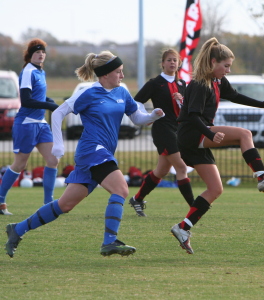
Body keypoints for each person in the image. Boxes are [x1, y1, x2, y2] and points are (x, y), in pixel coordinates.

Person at [4, 50, 165, 258]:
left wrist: (153, 115)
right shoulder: (88, 93)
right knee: (121, 189)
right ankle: (109, 241)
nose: (122, 76)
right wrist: (58, 145)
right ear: (105, 74)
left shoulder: (122, 93)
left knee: (65, 204)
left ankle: (17, 229)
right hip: (91, 151)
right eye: (119, 72)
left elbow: (137, 118)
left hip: (101, 153)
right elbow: (59, 112)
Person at [170, 37, 264, 254]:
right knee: (245, 134)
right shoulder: (199, 84)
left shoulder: (218, 81)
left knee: (215, 189)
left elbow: (234, 96)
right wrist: (208, 133)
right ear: (213, 62)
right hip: (191, 134)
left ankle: (183, 228)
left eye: (229, 66)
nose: (228, 70)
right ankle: (261, 177)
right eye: (226, 66)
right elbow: (193, 115)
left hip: (198, 138)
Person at [129, 49, 194, 217]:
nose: (173, 63)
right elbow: (136, 102)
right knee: (181, 167)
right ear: (163, 63)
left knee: (161, 170)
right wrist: (147, 117)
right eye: (169, 60)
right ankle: (194, 207)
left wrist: (182, 101)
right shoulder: (155, 83)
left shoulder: (182, 84)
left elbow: (185, 110)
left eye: (175, 60)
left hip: (177, 129)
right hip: (162, 130)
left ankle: (137, 198)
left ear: (179, 63)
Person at [0, 39, 59, 215]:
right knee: (19, 164)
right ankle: (0, 201)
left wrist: (51, 102)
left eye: (42, 52)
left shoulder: (41, 72)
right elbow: (26, 100)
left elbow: (40, 96)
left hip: (40, 124)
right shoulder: (27, 71)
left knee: (53, 160)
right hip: (26, 124)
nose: (41, 54)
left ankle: (48, 204)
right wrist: (50, 106)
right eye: (36, 52)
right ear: (30, 55)